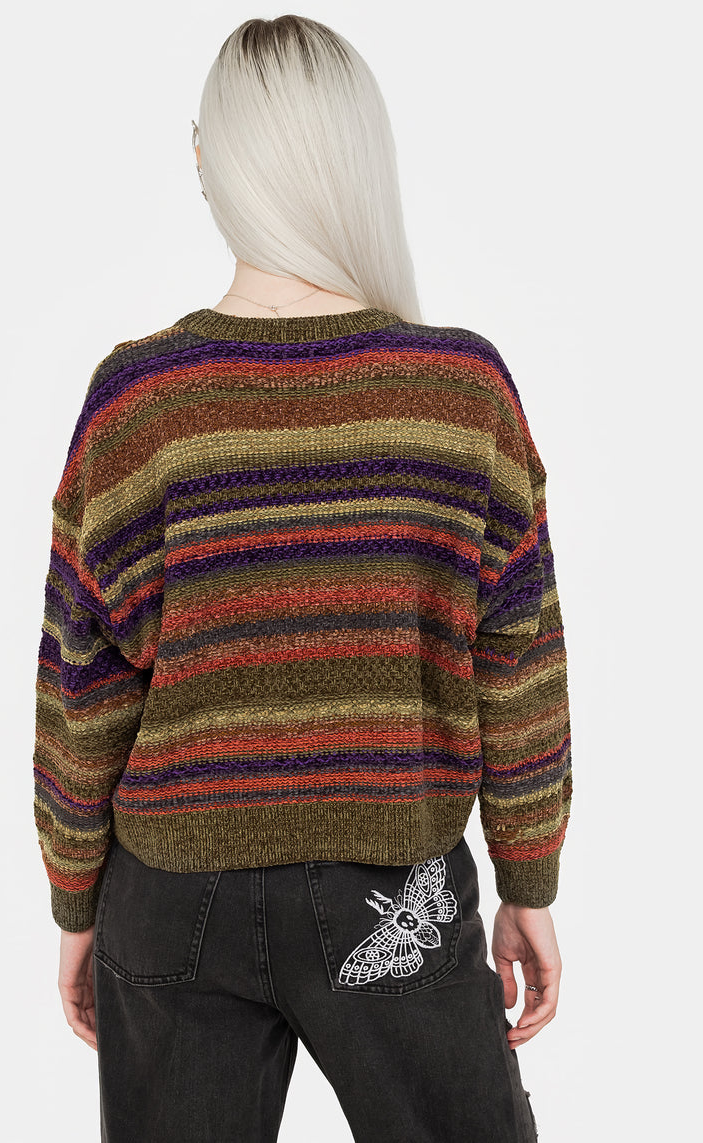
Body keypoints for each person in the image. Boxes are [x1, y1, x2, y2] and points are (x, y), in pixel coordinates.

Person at [34, 14, 572, 1142]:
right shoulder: (459, 394)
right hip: (393, 886)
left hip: (170, 891)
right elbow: (517, 662)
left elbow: (83, 679)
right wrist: (527, 875)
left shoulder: (139, 400)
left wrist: (75, 897)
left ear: (207, 159)